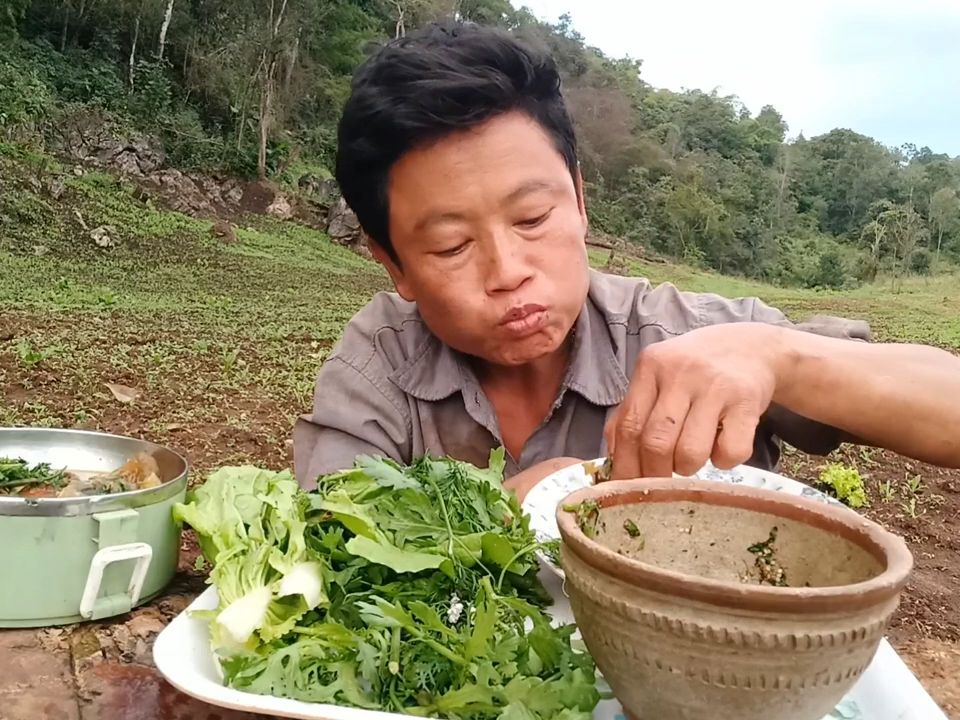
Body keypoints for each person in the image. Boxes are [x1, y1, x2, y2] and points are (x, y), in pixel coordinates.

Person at [293, 21, 960, 499]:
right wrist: (515, 509)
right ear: (394, 264)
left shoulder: (688, 332)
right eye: (450, 247)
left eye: (533, 218)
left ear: (580, 200)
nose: (507, 272)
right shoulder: (377, 367)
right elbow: (332, 552)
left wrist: (779, 359)